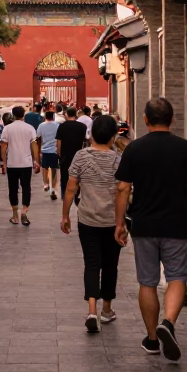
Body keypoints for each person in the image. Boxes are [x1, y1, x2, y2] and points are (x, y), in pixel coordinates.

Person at [115, 97, 187, 362]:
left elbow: (122, 188)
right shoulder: (185, 148)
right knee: (177, 277)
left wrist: (120, 224)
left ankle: (152, 339)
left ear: (145, 119)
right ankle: (167, 322)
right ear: (172, 120)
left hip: (144, 225)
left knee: (147, 281)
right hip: (176, 224)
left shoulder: (134, 149)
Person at [60, 115, 122, 333]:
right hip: (112, 221)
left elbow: (70, 188)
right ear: (114, 137)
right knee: (110, 265)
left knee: (92, 263)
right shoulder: (117, 160)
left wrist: (65, 215)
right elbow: (124, 191)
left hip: (87, 219)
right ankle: (107, 309)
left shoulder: (80, 156)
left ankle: (92, 310)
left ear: (91, 134)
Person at [0, 105, 40, 225]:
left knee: (13, 189)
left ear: (13, 115)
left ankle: (14, 216)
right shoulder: (29, 128)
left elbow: (3, 147)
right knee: (26, 187)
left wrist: (3, 162)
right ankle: (24, 212)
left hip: (12, 163)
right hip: (26, 163)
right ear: (24, 115)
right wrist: (36, 160)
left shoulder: (7, 129)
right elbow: (34, 145)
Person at [55, 106, 88, 200]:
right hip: (78, 155)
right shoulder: (82, 126)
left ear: (66, 114)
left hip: (65, 155)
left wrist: (59, 154)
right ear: (76, 114)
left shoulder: (62, 126)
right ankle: (76, 195)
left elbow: (59, 142)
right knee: (78, 176)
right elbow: (85, 142)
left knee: (64, 177)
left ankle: (64, 196)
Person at [36, 109, 61, 199]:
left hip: (45, 150)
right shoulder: (57, 125)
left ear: (45, 117)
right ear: (53, 117)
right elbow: (60, 139)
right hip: (54, 150)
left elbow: (37, 138)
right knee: (54, 169)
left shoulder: (41, 126)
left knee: (45, 168)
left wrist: (38, 151)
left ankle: (46, 183)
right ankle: (53, 189)